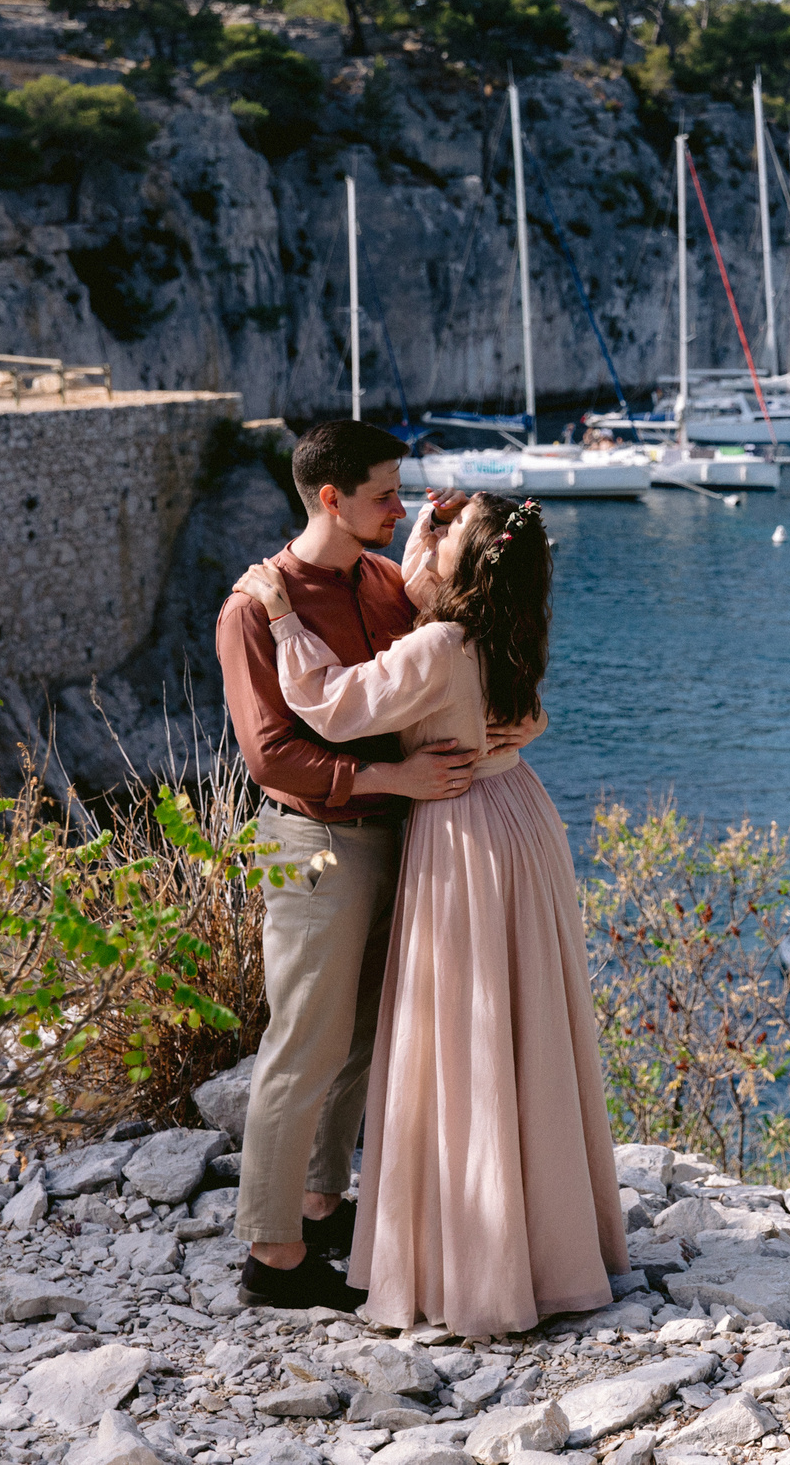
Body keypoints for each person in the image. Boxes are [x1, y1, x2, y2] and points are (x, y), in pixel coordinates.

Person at [233, 494, 627, 1337]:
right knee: (529, 1029)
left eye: (450, 528)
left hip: (462, 834)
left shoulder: (443, 644)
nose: (429, 528)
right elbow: (449, 629)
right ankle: (548, 1238)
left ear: (468, 562)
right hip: (523, 818)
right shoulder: (511, 622)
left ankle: (472, 1256)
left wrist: (278, 613)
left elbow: (335, 701)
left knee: (465, 1036)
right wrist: (431, 548)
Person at [217, 420, 483, 1312]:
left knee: (364, 1035)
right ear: (330, 496)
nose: (398, 506)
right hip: (315, 845)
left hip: (399, 836)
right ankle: (270, 1255)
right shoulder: (254, 608)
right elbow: (271, 756)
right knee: (303, 1043)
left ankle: (321, 1204)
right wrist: (393, 774)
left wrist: (424, 548)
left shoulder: (381, 580)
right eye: (385, 495)